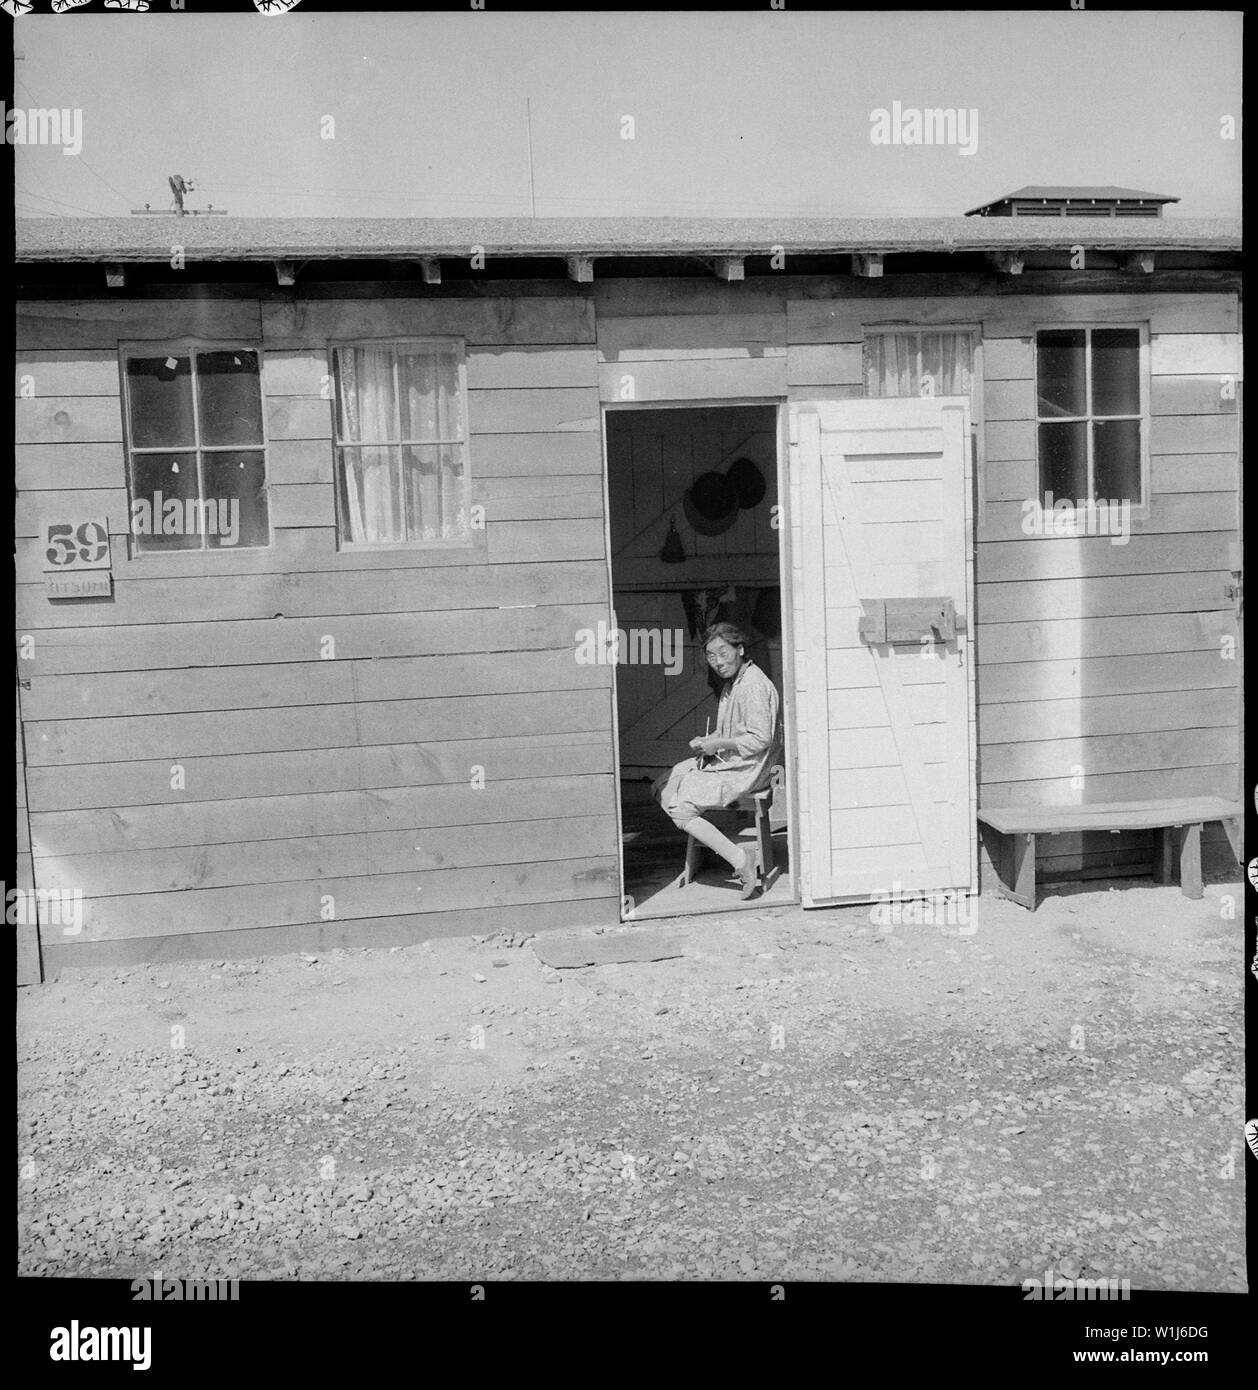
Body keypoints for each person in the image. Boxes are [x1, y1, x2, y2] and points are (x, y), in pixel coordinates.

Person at [651, 622, 782, 898]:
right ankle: (711, 841)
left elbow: (760, 741)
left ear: (740, 649)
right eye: (711, 656)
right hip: (731, 758)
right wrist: (708, 740)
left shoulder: (753, 685)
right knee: (663, 784)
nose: (718, 662)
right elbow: (729, 730)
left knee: (681, 808)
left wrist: (718, 744)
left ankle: (740, 859)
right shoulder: (733, 683)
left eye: (724, 652)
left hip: (750, 767)